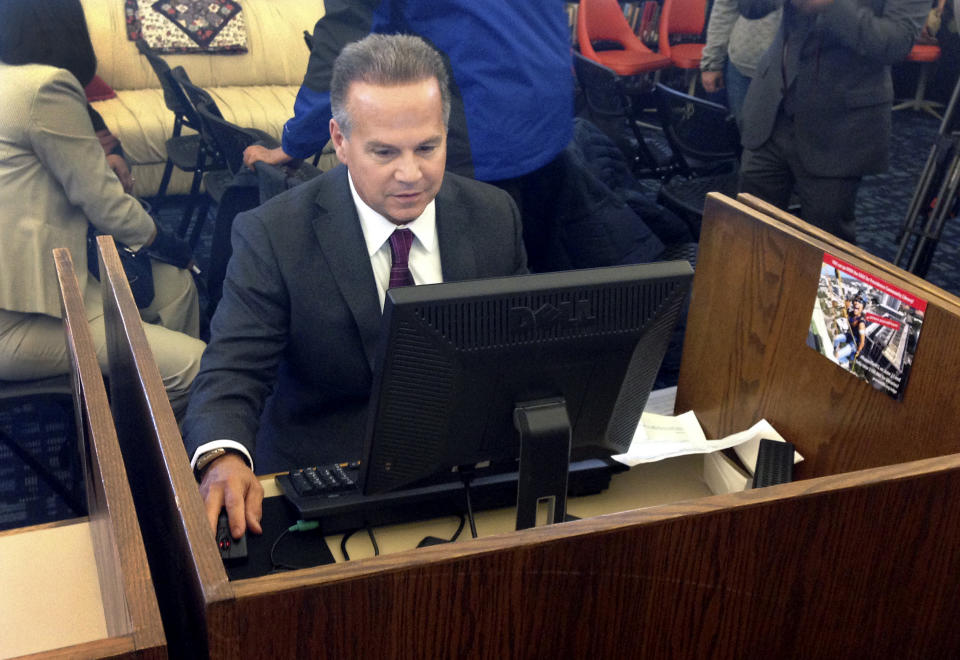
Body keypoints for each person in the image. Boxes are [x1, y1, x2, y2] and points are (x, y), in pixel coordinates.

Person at [183, 34, 528, 537]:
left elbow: (520, 352)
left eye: (428, 147)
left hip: (464, 476)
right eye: (384, 152)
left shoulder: (495, 215)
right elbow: (232, 374)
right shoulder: (273, 233)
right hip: (329, 481)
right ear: (340, 142)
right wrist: (222, 459)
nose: (410, 173)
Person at [241, 0, 572, 272]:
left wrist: (293, 143)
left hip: (482, 130)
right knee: (532, 288)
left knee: (459, 298)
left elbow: (344, 43)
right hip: (552, 115)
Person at [0, 0, 205, 417]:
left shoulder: (11, 82)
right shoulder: (43, 86)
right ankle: (134, 464)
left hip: (35, 283)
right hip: (19, 319)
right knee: (199, 368)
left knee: (174, 288)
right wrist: (167, 241)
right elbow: (102, 201)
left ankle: (142, 402)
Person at [737, 0, 929, 244]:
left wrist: (831, 4)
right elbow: (749, 8)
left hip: (839, 126)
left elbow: (895, 43)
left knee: (825, 247)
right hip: (771, 112)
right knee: (748, 231)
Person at [699, 0, 781, 123]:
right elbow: (725, 7)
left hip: (799, 72)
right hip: (743, 66)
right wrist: (712, 62)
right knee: (744, 135)